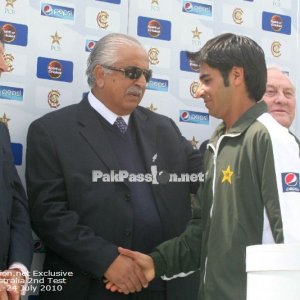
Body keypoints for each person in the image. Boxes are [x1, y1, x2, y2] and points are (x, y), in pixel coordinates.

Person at [111, 33, 300, 300]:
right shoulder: (217, 144)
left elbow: (293, 240)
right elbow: (202, 232)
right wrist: (157, 262)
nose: (199, 91)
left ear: (236, 76)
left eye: (206, 80)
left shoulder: (271, 138)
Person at [25, 33, 202, 300]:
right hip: (92, 285)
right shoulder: (51, 131)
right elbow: (48, 214)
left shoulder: (164, 128)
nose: (141, 82)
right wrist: (107, 260)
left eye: (146, 74)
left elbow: (203, 174)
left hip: (162, 287)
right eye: (132, 72)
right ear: (100, 74)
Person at [0, 27, 33, 300]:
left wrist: (18, 268)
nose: (3, 66)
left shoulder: (0, 131)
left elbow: (16, 207)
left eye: (4, 56)